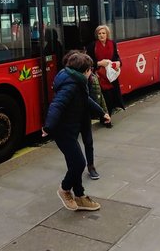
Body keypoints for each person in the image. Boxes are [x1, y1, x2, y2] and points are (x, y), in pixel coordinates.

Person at [42, 51, 105, 211]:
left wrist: (102, 113)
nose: (92, 72)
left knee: (73, 164)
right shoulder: (71, 85)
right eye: (90, 69)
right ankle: (64, 190)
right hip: (63, 131)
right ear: (84, 71)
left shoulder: (77, 82)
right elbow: (57, 105)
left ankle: (80, 196)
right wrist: (47, 127)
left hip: (70, 129)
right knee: (79, 163)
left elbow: (86, 100)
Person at [62, 50, 111, 180]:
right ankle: (73, 167)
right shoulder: (69, 82)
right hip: (72, 118)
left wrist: (103, 112)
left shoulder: (91, 79)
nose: (90, 71)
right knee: (73, 144)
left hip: (85, 115)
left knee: (88, 141)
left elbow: (98, 97)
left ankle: (91, 166)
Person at [85, 25, 124, 117]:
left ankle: (108, 116)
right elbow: (88, 62)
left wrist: (119, 62)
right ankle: (105, 118)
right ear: (97, 35)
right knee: (103, 98)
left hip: (110, 76)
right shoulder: (92, 46)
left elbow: (116, 57)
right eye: (99, 34)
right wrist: (99, 63)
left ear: (107, 34)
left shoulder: (112, 44)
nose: (101, 35)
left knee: (111, 97)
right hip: (98, 76)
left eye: (103, 33)